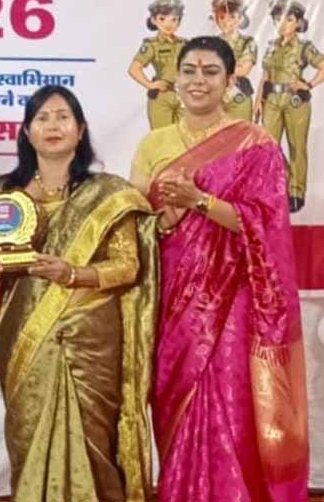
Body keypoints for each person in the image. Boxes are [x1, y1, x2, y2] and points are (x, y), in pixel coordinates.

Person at [132, 36, 309, 502]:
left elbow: (269, 224)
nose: (198, 80)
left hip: (233, 297)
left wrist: (200, 202)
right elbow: (133, 225)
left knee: (229, 402)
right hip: (172, 295)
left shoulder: (256, 144)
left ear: (229, 81)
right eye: (189, 70)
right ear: (175, 78)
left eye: (211, 72)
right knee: (174, 398)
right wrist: (162, 222)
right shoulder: (153, 145)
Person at [0, 84, 158, 502]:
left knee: (94, 437)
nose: (53, 126)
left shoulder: (108, 194)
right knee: (28, 432)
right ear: (27, 132)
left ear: (80, 130)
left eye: (63, 117)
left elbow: (128, 266)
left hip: (90, 337)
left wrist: (74, 273)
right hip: (25, 334)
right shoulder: (8, 196)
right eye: (42, 118)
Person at [254, 0, 324, 212]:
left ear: (298, 22)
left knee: (297, 146)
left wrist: (308, 84)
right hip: (271, 99)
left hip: (294, 101)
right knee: (269, 147)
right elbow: (265, 76)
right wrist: (258, 102)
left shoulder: (304, 47)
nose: (282, 24)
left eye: (288, 19)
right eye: (278, 18)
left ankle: (296, 192)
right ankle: (281, 184)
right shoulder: (271, 46)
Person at [128, 0, 187, 129]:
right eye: (162, 19)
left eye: (174, 19)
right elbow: (134, 69)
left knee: (185, 136)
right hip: (162, 96)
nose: (168, 24)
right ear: (154, 20)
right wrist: (150, 85)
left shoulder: (185, 44)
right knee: (162, 137)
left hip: (184, 96)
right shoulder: (152, 45)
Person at [211, 0, 258, 121]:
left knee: (240, 133)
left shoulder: (247, 42)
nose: (227, 21)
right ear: (216, 19)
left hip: (239, 96)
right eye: (222, 17)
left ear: (240, 18)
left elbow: (243, 70)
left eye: (232, 16)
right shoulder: (211, 44)